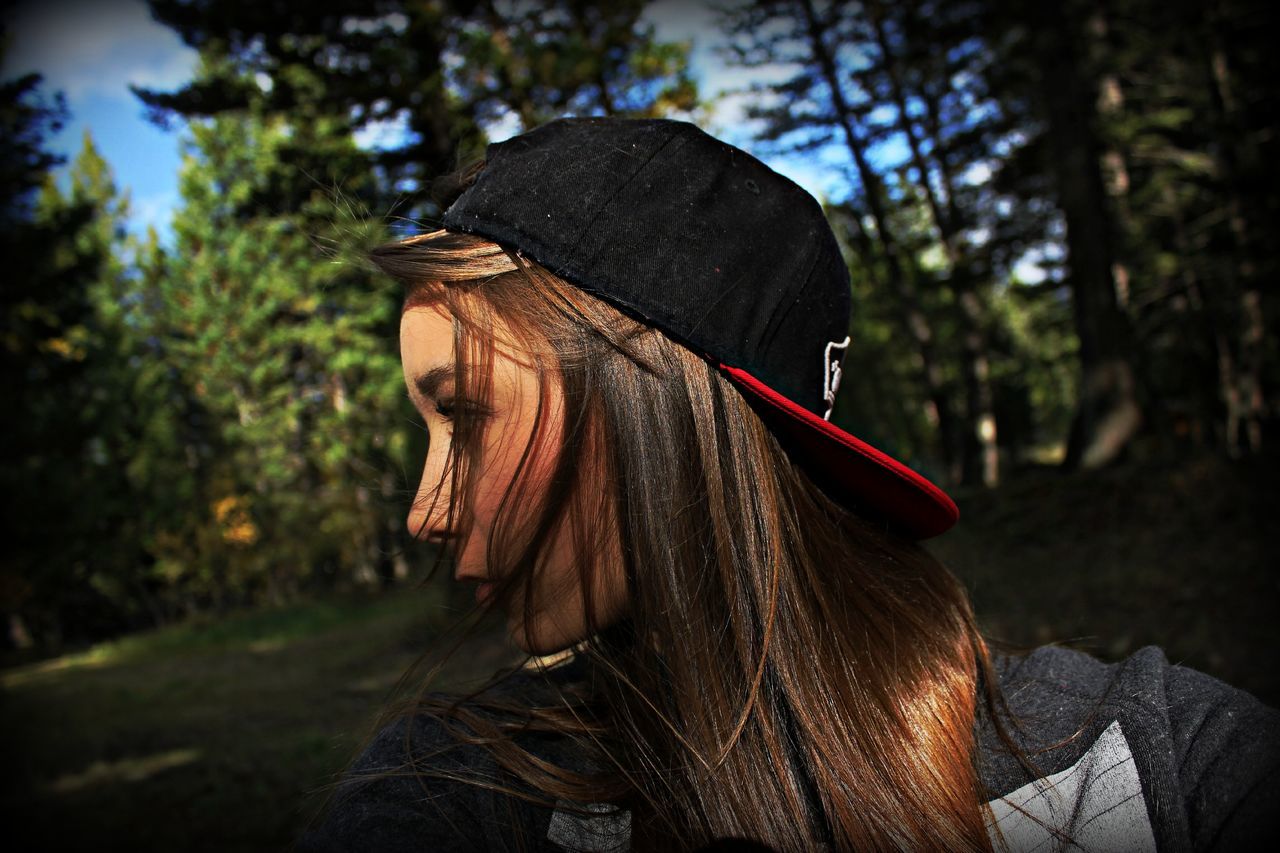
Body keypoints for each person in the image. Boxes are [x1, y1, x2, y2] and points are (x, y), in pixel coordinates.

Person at [296, 118, 1278, 852]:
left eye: (464, 414)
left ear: (668, 414)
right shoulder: (455, 792)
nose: (423, 509)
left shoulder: (1156, 769)